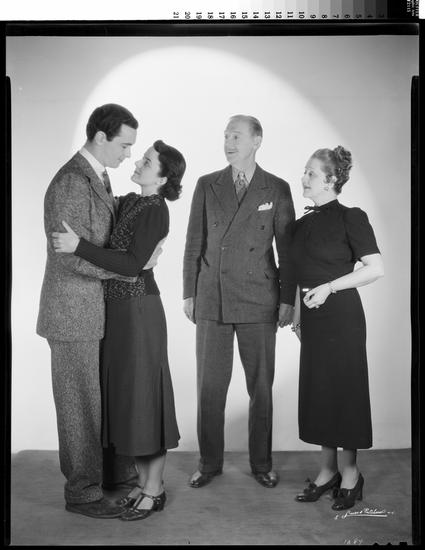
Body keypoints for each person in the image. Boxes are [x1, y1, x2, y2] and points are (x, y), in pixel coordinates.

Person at [52, 140, 185, 521]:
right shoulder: (129, 202)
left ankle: (155, 489)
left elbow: (130, 266)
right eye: (141, 157)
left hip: (139, 311)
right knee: (129, 402)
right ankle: (143, 484)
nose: (138, 161)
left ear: (163, 178)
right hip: (117, 312)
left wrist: (78, 246)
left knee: (145, 399)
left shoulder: (155, 210)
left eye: (148, 161)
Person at [36, 103, 145, 518]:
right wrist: (126, 270)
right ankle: (82, 493)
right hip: (70, 313)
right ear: (101, 137)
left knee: (99, 400)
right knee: (79, 405)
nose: (128, 155)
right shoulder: (70, 182)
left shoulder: (97, 177)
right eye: (124, 145)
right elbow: (69, 256)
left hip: (93, 310)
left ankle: (110, 477)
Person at [183, 115, 295, 489]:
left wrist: (288, 299)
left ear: (257, 141)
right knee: (209, 388)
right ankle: (208, 463)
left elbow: (287, 252)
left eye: (236, 136)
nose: (228, 143)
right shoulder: (207, 184)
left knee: (260, 388)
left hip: (259, 299)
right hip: (212, 297)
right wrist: (189, 292)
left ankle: (262, 463)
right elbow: (193, 244)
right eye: (226, 136)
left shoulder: (276, 188)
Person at [289, 146, 384, 510]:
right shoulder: (300, 225)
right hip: (312, 320)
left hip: (342, 318)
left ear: (330, 180)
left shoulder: (351, 217)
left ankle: (351, 474)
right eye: (305, 171)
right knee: (320, 393)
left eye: (311, 173)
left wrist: (330, 287)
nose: (304, 178)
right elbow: (298, 275)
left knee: (345, 392)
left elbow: (375, 268)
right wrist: (297, 315)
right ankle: (327, 471)